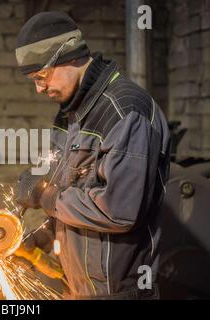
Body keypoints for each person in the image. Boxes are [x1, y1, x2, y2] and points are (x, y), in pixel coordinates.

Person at [14, 11, 171, 299]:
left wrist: (43, 195)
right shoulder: (70, 116)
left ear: (69, 56)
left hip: (120, 292)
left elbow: (117, 211)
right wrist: (43, 237)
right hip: (81, 289)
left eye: (41, 76)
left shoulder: (125, 111)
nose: (39, 88)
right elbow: (71, 192)